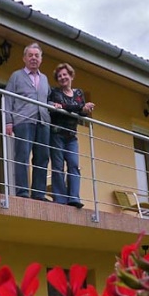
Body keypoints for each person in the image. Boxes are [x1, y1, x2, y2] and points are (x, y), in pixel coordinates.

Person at [5, 42, 52, 200]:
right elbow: (8, 98)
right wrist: (8, 122)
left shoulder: (44, 79)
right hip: (23, 121)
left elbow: (47, 99)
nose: (33, 58)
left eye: (36, 56)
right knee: (22, 155)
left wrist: (54, 105)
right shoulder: (16, 76)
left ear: (41, 59)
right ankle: (23, 192)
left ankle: (39, 193)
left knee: (42, 157)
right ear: (24, 58)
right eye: (30, 55)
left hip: (43, 122)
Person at [48, 63, 95, 209]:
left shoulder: (78, 93)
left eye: (65, 75)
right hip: (56, 134)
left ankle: (74, 197)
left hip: (71, 136)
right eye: (60, 76)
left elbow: (78, 112)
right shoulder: (55, 92)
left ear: (71, 76)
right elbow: (65, 107)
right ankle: (60, 198)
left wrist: (84, 110)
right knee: (57, 166)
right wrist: (81, 107)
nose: (62, 78)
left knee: (74, 165)